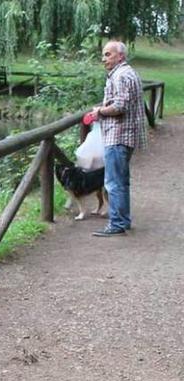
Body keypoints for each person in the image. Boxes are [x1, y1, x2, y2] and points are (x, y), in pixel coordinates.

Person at [87, 40, 147, 237]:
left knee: (113, 182)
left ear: (120, 56)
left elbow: (120, 107)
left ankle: (117, 223)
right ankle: (123, 220)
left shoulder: (121, 76)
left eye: (108, 54)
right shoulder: (128, 73)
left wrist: (99, 112)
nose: (104, 59)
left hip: (118, 135)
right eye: (104, 54)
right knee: (121, 181)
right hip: (126, 135)